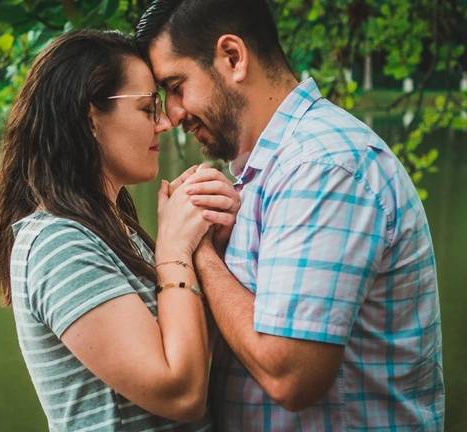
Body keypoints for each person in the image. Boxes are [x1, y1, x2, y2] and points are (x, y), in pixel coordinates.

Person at [135, 0, 445, 430]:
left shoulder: (322, 166)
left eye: (176, 86)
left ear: (233, 57)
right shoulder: (271, 170)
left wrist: (197, 252)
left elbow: (291, 376)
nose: (173, 114)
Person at [0, 29, 238, 431]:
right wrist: (173, 250)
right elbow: (181, 394)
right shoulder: (58, 242)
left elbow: (191, 351)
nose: (165, 123)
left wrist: (206, 243)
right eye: (148, 108)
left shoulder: (113, 230)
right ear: (91, 118)